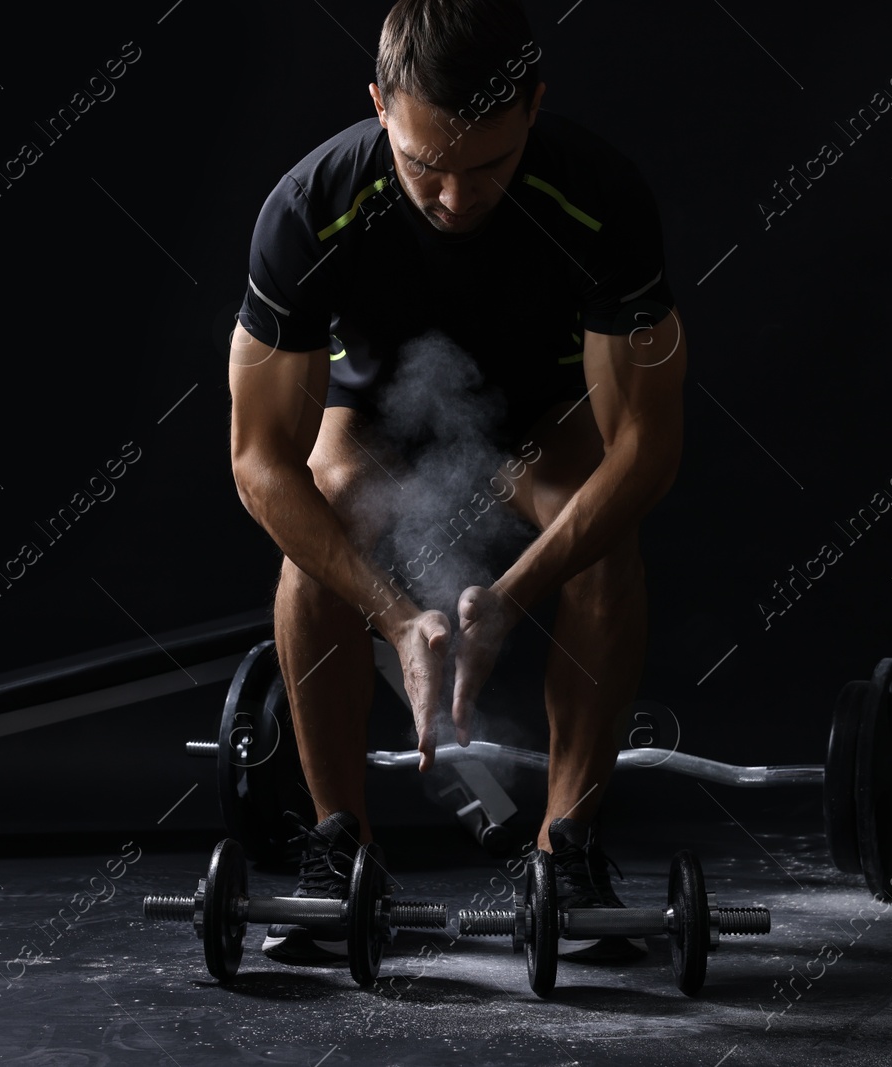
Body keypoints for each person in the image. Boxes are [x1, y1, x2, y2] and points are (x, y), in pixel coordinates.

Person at [227, 0, 686, 964]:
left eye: (487, 167)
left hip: (543, 425)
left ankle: (567, 850)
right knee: (320, 525)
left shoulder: (600, 195)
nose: (454, 198)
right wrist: (397, 616)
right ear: (380, 104)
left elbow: (644, 446)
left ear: (533, 108)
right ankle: (338, 846)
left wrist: (511, 596)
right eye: (424, 165)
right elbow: (260, 462)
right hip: (378, 423)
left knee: (607, 541)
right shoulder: (311, 205)